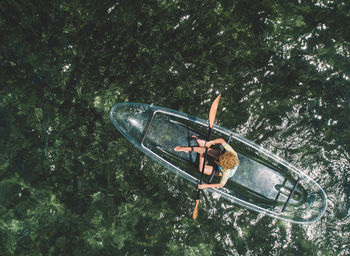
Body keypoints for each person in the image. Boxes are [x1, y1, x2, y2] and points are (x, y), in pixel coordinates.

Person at [174, 136, 239, 190]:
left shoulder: (226, 173)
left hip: (220, 171)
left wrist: (206, 186)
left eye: (219, 161)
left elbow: (221, 184)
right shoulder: (233, 154)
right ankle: (185, 148)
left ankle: (201, 153)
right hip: (223, 156)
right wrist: (211, 142)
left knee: (202, 169)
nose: (218, 160)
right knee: (209, 151)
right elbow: (222, 141)